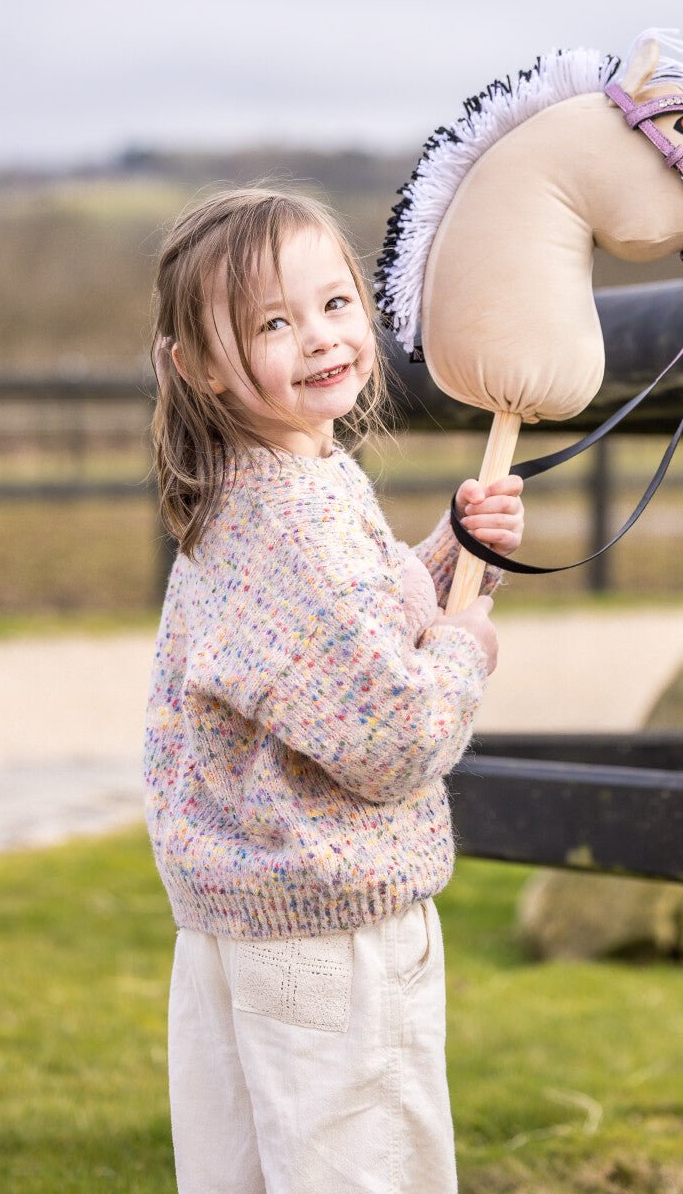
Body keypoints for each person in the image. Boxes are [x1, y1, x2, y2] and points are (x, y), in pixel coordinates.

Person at [144, 185, 524, 1194]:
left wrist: (453, 556)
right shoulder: (294, 520)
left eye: (334, 303)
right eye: (272, 323)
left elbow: (327, 646)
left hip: (241, 928)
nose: (318, 336)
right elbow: (392, 734)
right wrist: (463, 651)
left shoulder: (262, 486)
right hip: (330, 937)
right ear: (202, 367)